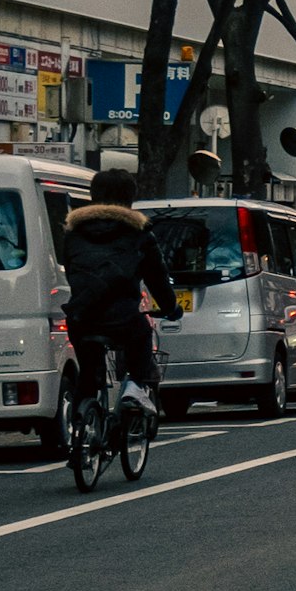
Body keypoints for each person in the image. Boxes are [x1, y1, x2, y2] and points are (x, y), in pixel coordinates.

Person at [59, 165, 184, 415]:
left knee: (88, 375)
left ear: (93, 196)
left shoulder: (73, 234)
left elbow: (74, 272)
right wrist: (171, 308)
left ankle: (80, 428)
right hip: (123, 320)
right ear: (129, 199)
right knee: (142, 332)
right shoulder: (139, 234)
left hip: (81, 318)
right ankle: (135, 388)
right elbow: (157, 278)